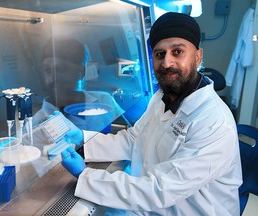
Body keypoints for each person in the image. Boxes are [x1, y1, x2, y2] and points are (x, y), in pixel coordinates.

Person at [60, 12, 242, 215]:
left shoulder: (213, 121)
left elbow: (159, 190)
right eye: (159, 54)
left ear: (197, 56)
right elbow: (135, 139)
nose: (167, 63)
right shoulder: (162, 98)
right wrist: (83, 142)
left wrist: (85, 176)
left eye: (178, 52)